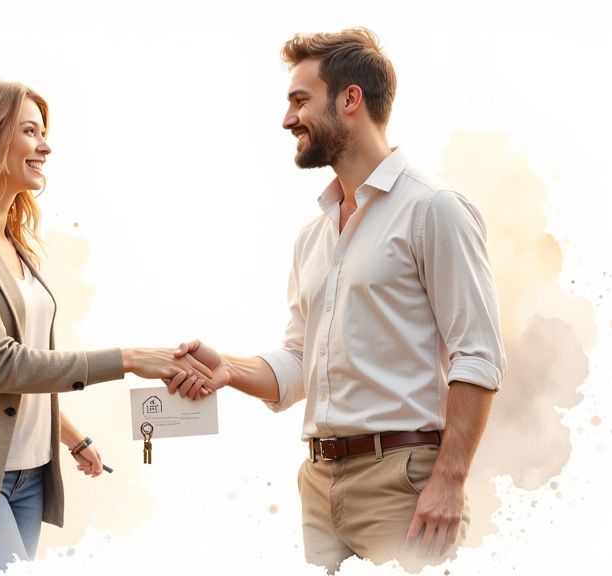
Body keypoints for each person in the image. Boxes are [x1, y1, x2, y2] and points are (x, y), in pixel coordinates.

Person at [167, 29, 506, 573]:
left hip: (403, 482)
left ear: (350, 99)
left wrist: (449, 480)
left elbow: (478, 355)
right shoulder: (312, 237)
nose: (287, 120)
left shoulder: (434, 210)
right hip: (318, 486)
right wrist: (226, 368)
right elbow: (301, 361)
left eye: (300, 101)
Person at [0, 79, 212, 573]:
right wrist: (128, 360)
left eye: (43, 132)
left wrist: (71, 438)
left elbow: (19, 370)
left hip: (30, 479)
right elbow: (1, 364)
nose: (46, 145)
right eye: (29, 131)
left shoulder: (14, 244)